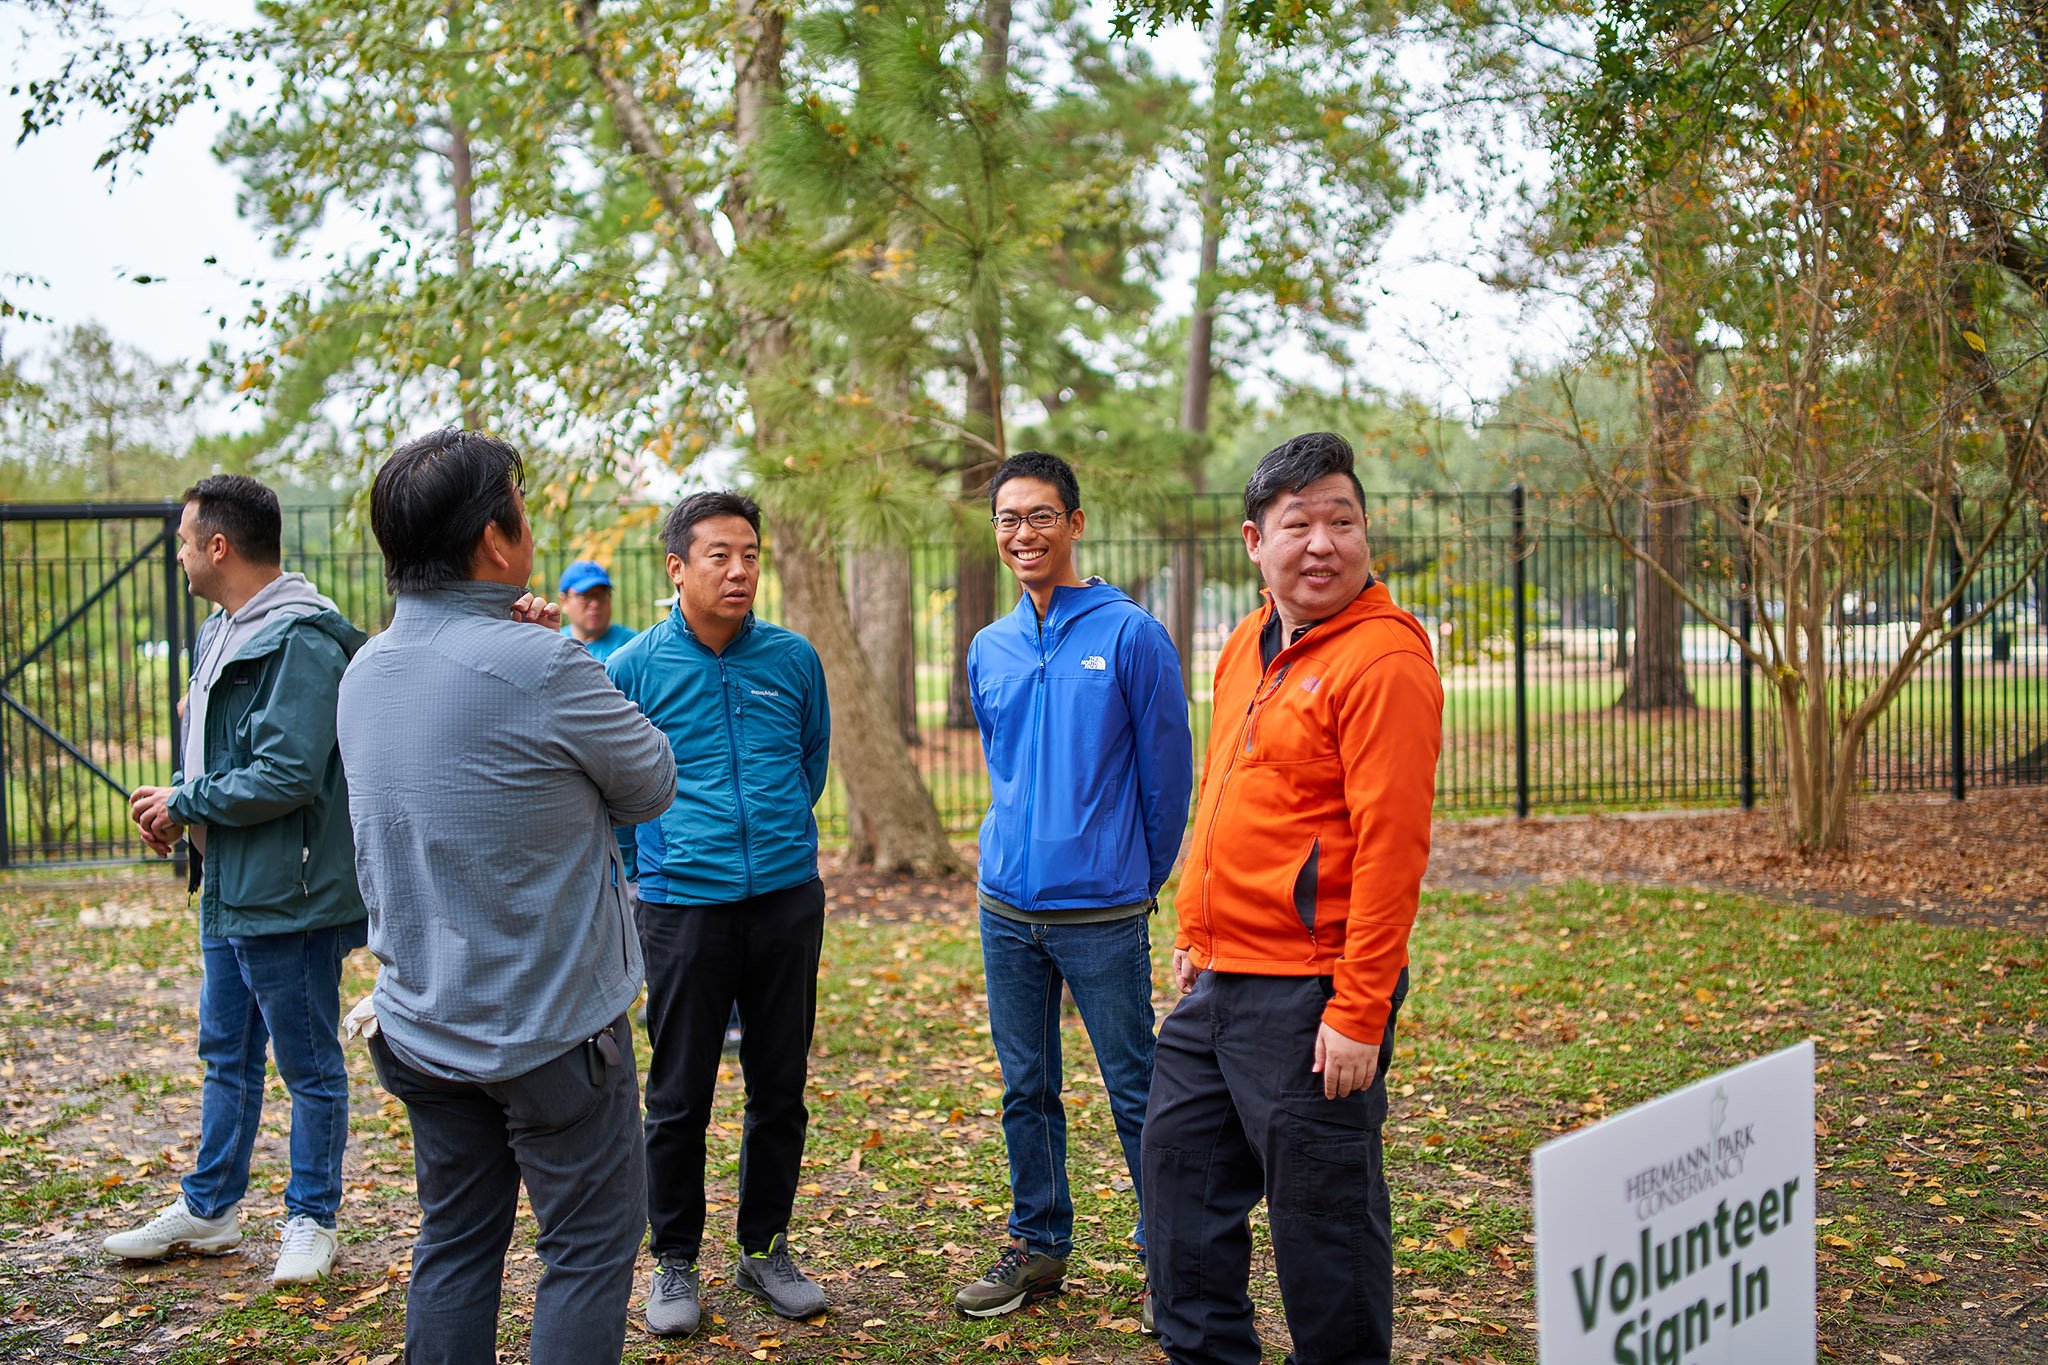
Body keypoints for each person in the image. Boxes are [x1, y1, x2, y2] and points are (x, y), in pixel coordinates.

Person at [336, 429, 676, 1365]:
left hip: (421, 1023)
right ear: (497, 540)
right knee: (587, 1248)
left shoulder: (362, 672)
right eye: (522, 514)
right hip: (553, 1033)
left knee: (453, 1243)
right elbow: (649, 780)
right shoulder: (548, 665)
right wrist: (558, 652)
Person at [1141, 432, 1443, 1365]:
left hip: (1313, 996)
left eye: (1342, 521)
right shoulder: (1249, 640)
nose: (1322, 543)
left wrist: (1359, 1011)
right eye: (1298, 523)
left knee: (1325, 1230)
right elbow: (1224, 789)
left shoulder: (1383, 662)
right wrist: (1194, 927)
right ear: (1253, 541)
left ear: (1366, 533)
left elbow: (1394, 851)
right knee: (1180, 1190)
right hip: (1218, 982)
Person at [106, 475, 368, 1285]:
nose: (180, 553)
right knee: (227, 1052)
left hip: (288, 893)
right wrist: (180, 819)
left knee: (310, 1064)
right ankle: (211, 1205)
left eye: (185, 540)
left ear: (218, 546)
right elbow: (218, 760)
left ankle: (312, 1217)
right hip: (229, 884)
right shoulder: (221, 630)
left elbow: (288, 772)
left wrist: (185, 801)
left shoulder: (303, 639)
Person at [954, 451, 1193, 1324]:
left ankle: (1170, 1251)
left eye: (1042, 515)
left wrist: (1134, 874)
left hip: (1104, 911)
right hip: (1007, 909)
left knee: (1137, 1087)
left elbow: (1169, 779)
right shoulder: (991, 645)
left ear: (1076, 523)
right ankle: (1038, 1242)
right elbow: (1004, 762)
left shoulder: (1131, 634)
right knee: (1027, 1086)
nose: (1025, 533)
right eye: (1009, 519)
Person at [604, 490, 832, 1338]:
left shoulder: (792, 658)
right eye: (719, 556)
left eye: (749, 554)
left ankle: (766, 1243)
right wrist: (655, 866)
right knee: (679, 1091)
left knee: (780, 1084)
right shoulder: (633, 667)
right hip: (681, 905)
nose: (739, 571)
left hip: (784, 899)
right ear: (677, 566)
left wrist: (772, 840)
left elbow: (809, 759)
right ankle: (674, 1258)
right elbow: (616, 789)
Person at [560, 559, 638, 661]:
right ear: (564, 602)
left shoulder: (633, 646)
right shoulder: (555, 646)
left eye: (601, 595)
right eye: (585, 596)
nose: (595, 604)